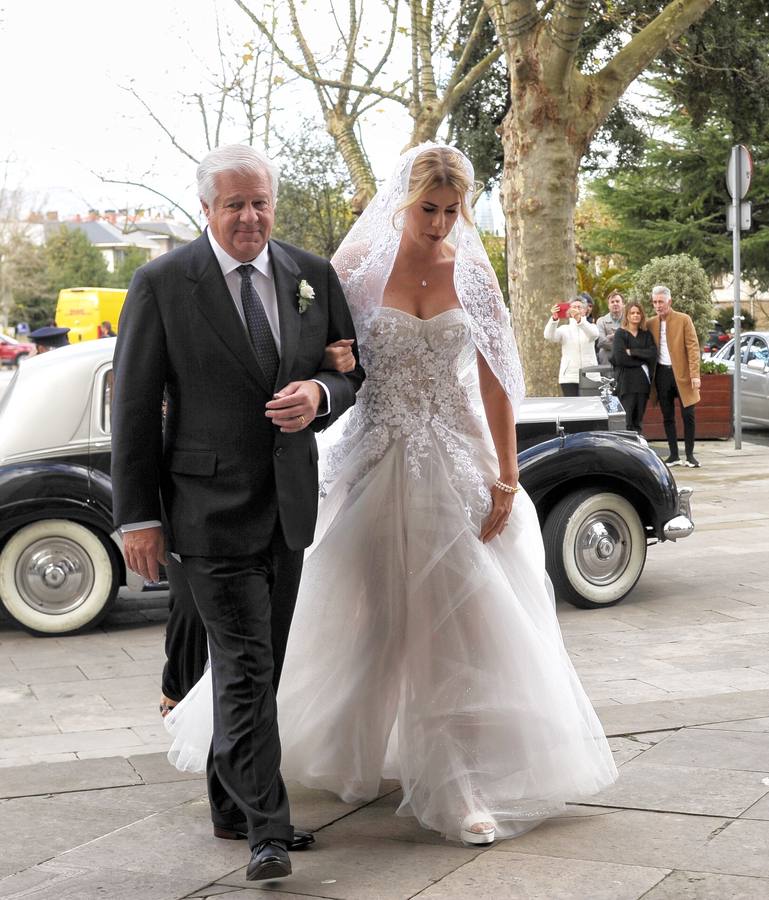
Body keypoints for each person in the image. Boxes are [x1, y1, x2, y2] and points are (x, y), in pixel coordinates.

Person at [166, 143, 617, 846]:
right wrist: (331, 361)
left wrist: (506, 474)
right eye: (426, 210)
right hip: (374, 462)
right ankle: (332, 755)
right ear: (401, 204)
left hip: (459, 463)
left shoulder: (472, 273)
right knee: (370, 620)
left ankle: (460, 781)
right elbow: (306, 352)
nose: (438, 224)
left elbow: (499, 380)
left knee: (459, 626)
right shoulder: (348, 272)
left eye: (449, 211)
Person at [111, 143, 364, 882]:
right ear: (207, 208)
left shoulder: (312, 277)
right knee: (248, 668)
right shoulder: (162, 282)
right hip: (204, 510)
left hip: (288, 506)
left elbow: (350, 370)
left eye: (260, 203)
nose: (250, 216)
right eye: (234, 204)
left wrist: (320, 396)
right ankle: (267, 831)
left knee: (262, 666)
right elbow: (131, 407)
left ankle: (230, 805)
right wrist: (138, 518)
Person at [646, 285, 701, 467]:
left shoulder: (684, 319)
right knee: (667, 415)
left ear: (669, 301)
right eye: (655, 302)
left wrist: (695, 374)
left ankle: (690, 456)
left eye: (660, 301)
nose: (658, 305)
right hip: (662, 374)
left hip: (683, 374)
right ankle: (674, 455)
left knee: (688, 414)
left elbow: (693, 348)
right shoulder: (651, 323)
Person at [610, 302, 657, 433]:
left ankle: (637, 448)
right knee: (626, 420)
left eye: (638, 313)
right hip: (626, 383)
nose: (635, 315)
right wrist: (642, 361)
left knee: (638, 421)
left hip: (642, 384)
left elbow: (652, 353)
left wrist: (633, 352)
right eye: (632, 313)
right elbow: (620, 358)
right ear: (627, 315)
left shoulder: (646, 334)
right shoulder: (621, 334)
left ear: (642, 315)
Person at [543, 298, 599, 396]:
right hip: (569, 377)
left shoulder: (591, 327)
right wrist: (554, 319)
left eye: (579, 307)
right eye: (574, 307)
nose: (576, 309)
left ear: (585, 310)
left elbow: (594, 335)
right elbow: (548, 336)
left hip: (590, 375)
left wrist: (579, 320)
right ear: (569, 310)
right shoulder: (564, 329)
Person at [596, 291, 625, 365]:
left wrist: (611, 337)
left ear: (623, 304)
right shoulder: (601, 321)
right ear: (608, 306)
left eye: (617, 301)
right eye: (612, 302)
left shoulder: (629, 320)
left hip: (626, 360)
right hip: (607, 361)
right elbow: (601, 342)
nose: (615, 303)